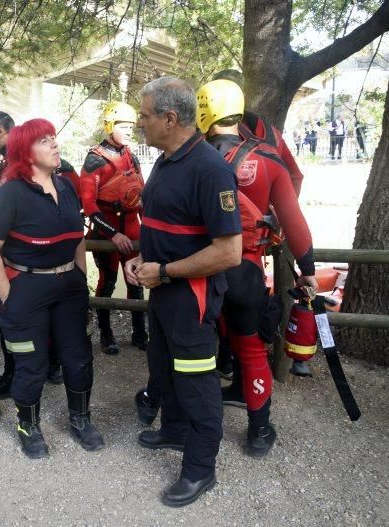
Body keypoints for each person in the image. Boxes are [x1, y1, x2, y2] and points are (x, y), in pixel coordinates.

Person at [124, 77, 242, 507]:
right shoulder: (166, 159)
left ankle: (200, 469)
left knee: (197, 382)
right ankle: (173, 430)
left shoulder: (211, 169)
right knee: (163, 366)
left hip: (189, 295)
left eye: (144, 114)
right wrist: (142, 256)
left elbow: (229, 251)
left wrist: (166, 271)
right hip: (162, 287)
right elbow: (162, 223)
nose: (139, 122)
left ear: (170, 119)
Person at [196, 79, 319, 457]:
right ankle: (258, 431)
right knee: (250, 349)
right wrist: (308, 270)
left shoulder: (188, 157)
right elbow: (293, 221)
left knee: (200, 347)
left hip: (198, 271)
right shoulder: (267, 158)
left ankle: (193, 425)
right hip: (245, 270)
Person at [0, 118, 103, 459]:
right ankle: (28, 426)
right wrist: (7, 295)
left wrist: (80, 277)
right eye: (45, 141)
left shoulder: (66, 187)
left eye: (54, 139)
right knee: (31, 364)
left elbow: (78, 237)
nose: (55, 145)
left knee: (78, 359)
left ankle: (80, 419)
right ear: (25, 152)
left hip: (69, 287)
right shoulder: (11, 194)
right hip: (28, 287)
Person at [0, 111, 65, 402]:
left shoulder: (35, 164)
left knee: (19, 318)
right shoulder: (3, 167)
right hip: (3, 260)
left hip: (29, 265)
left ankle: (41, 368)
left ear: (2, 131)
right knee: (9, 320)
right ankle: (17, 372)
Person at [79, 101, 148, 355]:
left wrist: (148, 230)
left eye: (132, 126)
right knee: (107, 283)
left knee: (136, 282)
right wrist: (112, 234)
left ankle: (140, 332)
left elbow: (143, 198)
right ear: (110, 126)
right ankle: (107, 334)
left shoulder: (133, 156)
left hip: (133, 229)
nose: (130, 131)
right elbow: (89, 206)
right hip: (106, 233)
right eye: (123, 126)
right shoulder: (95, 160)